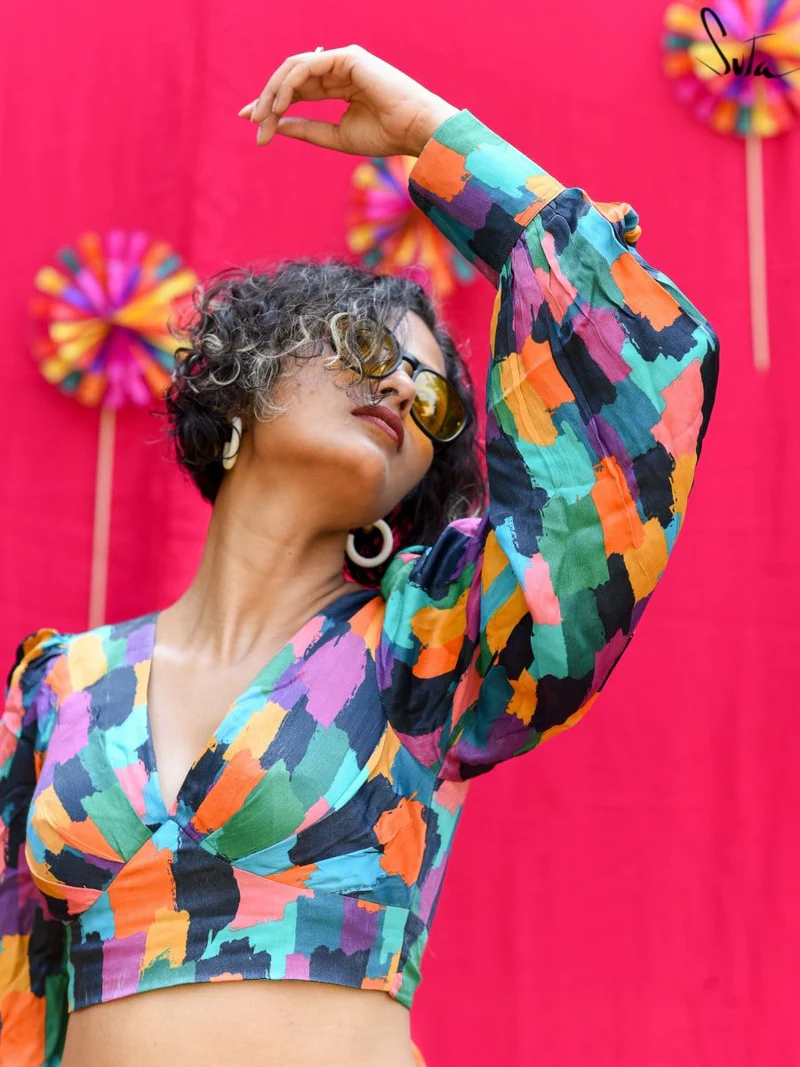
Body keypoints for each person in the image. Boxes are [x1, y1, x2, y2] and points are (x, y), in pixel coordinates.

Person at [0, 43, 720, 1067]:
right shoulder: (59, 685)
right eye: (370, 349)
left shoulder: (433, 641)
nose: (402, 390)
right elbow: (16, 1001)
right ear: (245, 378)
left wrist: (433, 137)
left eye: (434, 400)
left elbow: (634, 365)